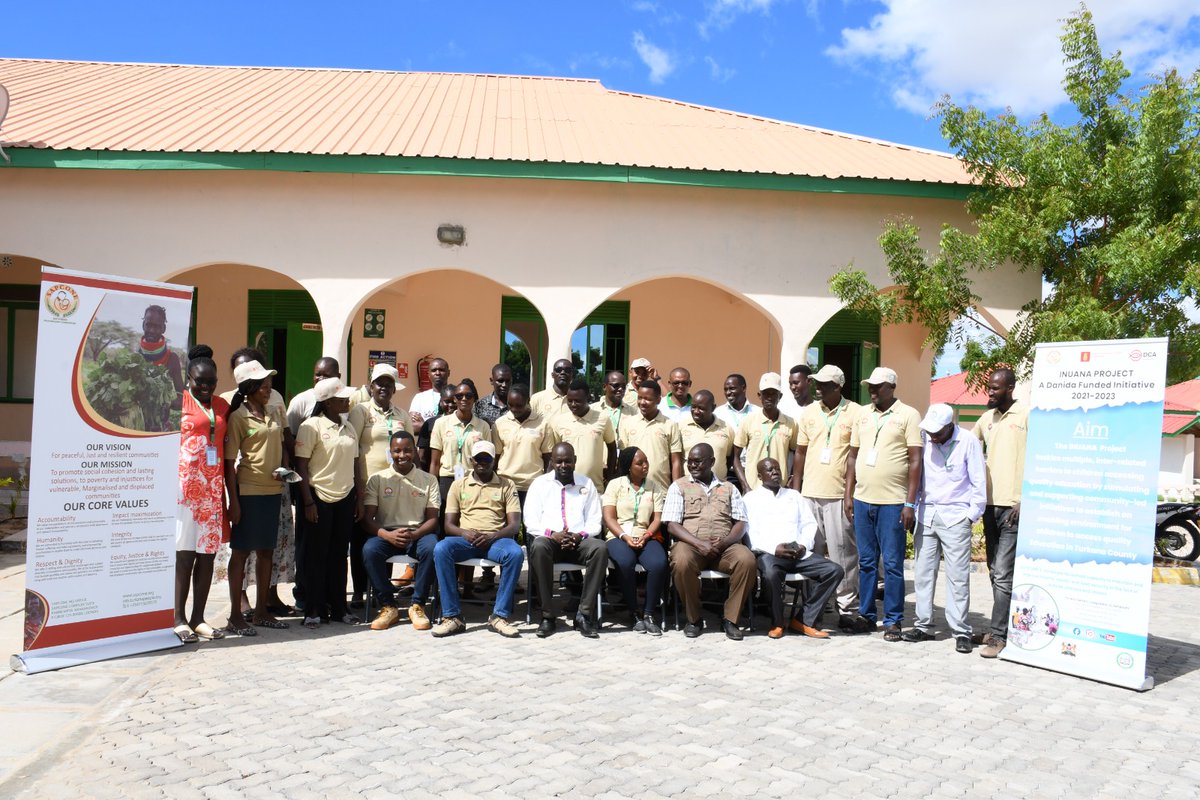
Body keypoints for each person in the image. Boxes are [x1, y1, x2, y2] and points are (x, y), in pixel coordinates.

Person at [844, 366, 923, 642]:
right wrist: (848, 494)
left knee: (891, 564)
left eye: (877, 386)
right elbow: (852, 457)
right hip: (863, 500)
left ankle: (892, 620)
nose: (872, 390)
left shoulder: (909, 415)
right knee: (866, 562)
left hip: (892, 503)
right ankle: (866, 616)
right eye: (870, 386)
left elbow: (915, 460)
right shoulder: (862, 415)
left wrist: (909, 503)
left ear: (892, 387)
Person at [902, 404, 987, 653]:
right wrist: (914, 506)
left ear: (951, 426)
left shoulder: (968, 441)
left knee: (958, 577)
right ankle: (924, 625)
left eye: (938, 432)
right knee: (924, 573)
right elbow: (917, 476)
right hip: (927, 513)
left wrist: (971, 515)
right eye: (930, 431)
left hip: (956, 515)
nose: (932, 436)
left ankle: (961, 630)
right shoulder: (926, 439)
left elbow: (978, 481)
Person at [791, 364, 868, 633]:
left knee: (843, 555)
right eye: (817, 383)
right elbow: (800, 453)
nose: (818, 388)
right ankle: (816, 608)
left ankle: (847, 609)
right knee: (812, 555)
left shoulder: (856, 412)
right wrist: (796, 491)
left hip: (837, 495)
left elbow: (855, 454)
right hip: (810, 493)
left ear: (838, 387)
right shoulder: (809, 413)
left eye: (824, 384)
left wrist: (850, 494)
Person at [217, 346, 293, 618]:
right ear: (250, 388)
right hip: (247, 493)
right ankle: (236, 616)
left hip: (273, 491)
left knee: (266, 552)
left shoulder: (272, 412)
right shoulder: (238, 417)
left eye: (270, 385)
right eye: (263, 386)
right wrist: (233, 502)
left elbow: (284, 442)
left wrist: (284, 467)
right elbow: (228, 462)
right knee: (240, 553)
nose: (269, 390)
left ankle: (262, 611)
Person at [430, 441, 525, 638]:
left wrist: (493, 536)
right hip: (467, 539)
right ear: (471, 460)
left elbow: (514, 525)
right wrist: (464, 533)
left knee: (515, 553)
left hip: (496, 540)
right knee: (441, 549)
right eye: (478, 458)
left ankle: (500, 616)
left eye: (487, 458)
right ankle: (452, 616)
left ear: (494, 460)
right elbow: (448, 525)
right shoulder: (458, 485)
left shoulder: (507, 484)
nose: (482, 462)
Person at [743, 458, 845, 639]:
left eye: (777, 469)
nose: (775, 472)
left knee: (834, 570)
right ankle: (777, 623)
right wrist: (775, 549)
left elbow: (808, 524)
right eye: (769, 470)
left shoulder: (794, 496)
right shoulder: (750, 499)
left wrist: (803, 545)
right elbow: (750, 533)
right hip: (769, 553)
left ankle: (804, 620)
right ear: (760, 476)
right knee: (771, 574)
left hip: (798, 553)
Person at [663, 443, 755, 640]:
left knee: (746, 560)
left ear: (712, 462)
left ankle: (730, 619)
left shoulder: (729, 488)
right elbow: (672, 525)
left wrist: (724, 542)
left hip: (724, 547)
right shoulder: (679, 486)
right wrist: (699, 543)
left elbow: (741, 523)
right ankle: (693, 619)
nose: (692, 466)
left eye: (698, 462)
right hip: (691, 546)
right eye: (690, 462)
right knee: (680, 561)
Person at [294, 377, 362, 629]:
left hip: (345, 498)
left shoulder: (349, 427)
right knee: (316, 556)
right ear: (328, 402)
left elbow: (355, 464)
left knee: (337, 555)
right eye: (341, 397)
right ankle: (313, 609)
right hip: (318, 499)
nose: (347, 400)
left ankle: (339, 608)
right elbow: (300, 465)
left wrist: (358, 498)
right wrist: (308, 502)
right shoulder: (310, 426)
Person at [173, 345, 230, 643]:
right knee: (184, 556)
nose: (206, 387)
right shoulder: (178, 401)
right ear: (189, 379)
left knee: (207, 556)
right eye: (200, 382)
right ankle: (178, 618)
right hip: (183, 491)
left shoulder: (222, 406)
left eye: (211, 382)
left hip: (212, 491)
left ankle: (199, 618)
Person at [524, 443, 608, 638]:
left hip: (578, 542)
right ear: (551, 462)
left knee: (601, 548)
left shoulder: (586, 484)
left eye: (567, 461)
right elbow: (530, 521)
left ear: (575, 461)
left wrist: (580, 536)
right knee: (537, 545)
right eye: (559, 461)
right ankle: (548, 617)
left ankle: (584, 615)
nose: (563, 465)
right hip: (550, 541)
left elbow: (596, 522)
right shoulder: (540, 484)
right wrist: (552, 534)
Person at [973, 367, 1028, 659]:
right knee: (995, 572)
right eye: (989, 388)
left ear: (1010, 388)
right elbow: (967, 445)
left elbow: (1039, 456)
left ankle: (998, 637)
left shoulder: (1026, 416)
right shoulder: (987, 419)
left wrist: (1025, 499)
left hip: (1014, 507)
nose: (990, 392)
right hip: (990, 504)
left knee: (1004, 574)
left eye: (995, 388)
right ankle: (1001, 627)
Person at [348, 363, 413, 606]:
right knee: (360, 538)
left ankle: (380, 589)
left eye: (388, 383)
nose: (383, 387)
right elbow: (352, 450)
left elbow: (410, 450)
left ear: (394, 388)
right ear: (371, 385)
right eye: (379, 383)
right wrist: (357, 485)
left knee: (385, 537)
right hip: (365, 486)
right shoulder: (360, 412)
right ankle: (358, 591)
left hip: (393, 489)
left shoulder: (401, 415)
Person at [362, 431, 440, 631]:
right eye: (397, 451)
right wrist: (387, 535)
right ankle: (388, 606)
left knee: (433, 548)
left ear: (414, 451)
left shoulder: (429, 479)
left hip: (418, 533)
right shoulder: (377, 479)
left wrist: (414, 535)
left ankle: (418, 604)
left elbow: (432, 519)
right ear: (390, 452)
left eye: (407, 450)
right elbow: (367, 520)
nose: (402, 455)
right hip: (388, 534)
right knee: (370, 550)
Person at [602, 447, 668, 636]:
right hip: (618, 536)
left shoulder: (653, 486)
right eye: (640, 463)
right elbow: (609, 518)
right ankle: (633, 612)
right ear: (628, 466)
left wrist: (646, 536)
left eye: (646, 461)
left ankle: (648, 614)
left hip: (647, 535)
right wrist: (625, 537)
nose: (645, 465)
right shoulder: (615, 485)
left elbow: (657, 519)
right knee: (625, 562)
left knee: (659, 563)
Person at [732, 373, 799, 492]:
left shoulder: (791, 423)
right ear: (759, 395)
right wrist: (745, 485)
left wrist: (792, 478)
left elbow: (797, 453)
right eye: (766, 393)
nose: (769, 397)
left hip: (780, 489)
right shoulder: (748, 421)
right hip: (753, 489)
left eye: (773, 393)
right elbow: (735, 457)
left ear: (780, 396)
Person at [492, 384, 555, 504]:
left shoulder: (543, 424)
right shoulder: (500, 424)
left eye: (519, 405)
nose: (514, 409)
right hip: (505, 484)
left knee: (530, 522)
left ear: (528, 401)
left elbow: (548, 459)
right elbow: (496, 457)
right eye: (510, 405)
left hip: (533, 485)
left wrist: (546, 484)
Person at [549, 378, 617, 491]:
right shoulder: (559, 421)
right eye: (569, 401)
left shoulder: (603, 419)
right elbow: (554, 455)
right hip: (567, 487)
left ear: (588, 398)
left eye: (577, 401)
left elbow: (612, 448)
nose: (573, 404)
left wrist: (609, 476)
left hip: (595, 488)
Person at [623, 380, 684, 491]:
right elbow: (623, 459)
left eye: (647, 399)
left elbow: (676, 461)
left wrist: (676, 490)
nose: (642, 402)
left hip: (661, 491)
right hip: (632, 491)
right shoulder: (627, 423)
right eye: (640, 398)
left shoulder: (670, 424)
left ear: (658, 400)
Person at [138, 304, 184, 431]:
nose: (152, 330)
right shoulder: (134, 359)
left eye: (157, 326)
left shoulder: (172, 359)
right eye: (148, 325)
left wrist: (167, 403)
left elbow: (181, 399)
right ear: (143, 325)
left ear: (163, 328)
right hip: (136, 428)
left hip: (161, 428)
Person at [714, 373, 758, 486]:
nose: (728, 392)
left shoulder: (758, 413)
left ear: (743, 388)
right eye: (726, 389)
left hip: (754, 472)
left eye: (732, 388)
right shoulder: (718, 414)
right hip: (729, 473)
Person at [680, 390, 733, 481]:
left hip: (718, 488)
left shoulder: (726, 428)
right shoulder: (681, 428)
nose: (696, 411)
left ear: (713, 408)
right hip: (688, 488)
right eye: (693, 407)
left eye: (701, 408)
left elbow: (730, 458)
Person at [287, 357, 341, 436]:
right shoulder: (300, 400)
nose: (321, 379)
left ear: (338, 377)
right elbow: (290, 435)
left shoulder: (344, 401)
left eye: (327, 376)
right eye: (318, 375)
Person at [593, 369, 635, 452]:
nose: (620, 389)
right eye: (616, 385)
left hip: (624, 463)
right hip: (600, 463)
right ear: (604, 387)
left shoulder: (634, 412)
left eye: (623, 386)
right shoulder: (592, 410)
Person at [417, 385, 455, 472]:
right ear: (441, 402)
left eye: (454, 402)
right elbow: (422, 457)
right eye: (447, 401)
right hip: (434, 473)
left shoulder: (465, 423)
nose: (451, 405)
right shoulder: (430, 423)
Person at [409, 357, 451, 427]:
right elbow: (414, 426)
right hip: (427, 438)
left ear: (448, 373)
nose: (437, 373)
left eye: (441, 370)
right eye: (434, 370)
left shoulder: (456, 396)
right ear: (428, 374)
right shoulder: (419, 398)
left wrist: (424, 425)